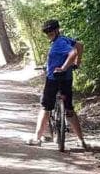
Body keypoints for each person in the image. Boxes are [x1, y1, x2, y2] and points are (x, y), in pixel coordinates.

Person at [27, 19, 89, 149]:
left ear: (56, 30)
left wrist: (64, 67)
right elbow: (80, 45)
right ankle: (81, 141)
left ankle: (37, 138)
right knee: (69, 109)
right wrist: (77, 64)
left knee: (46, 108)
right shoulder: (65, 39)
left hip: (54, 79)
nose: (49, 35)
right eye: (47, 33)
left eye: (50, 32)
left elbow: (73, 53)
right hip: (67, 79)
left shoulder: (59, 43)